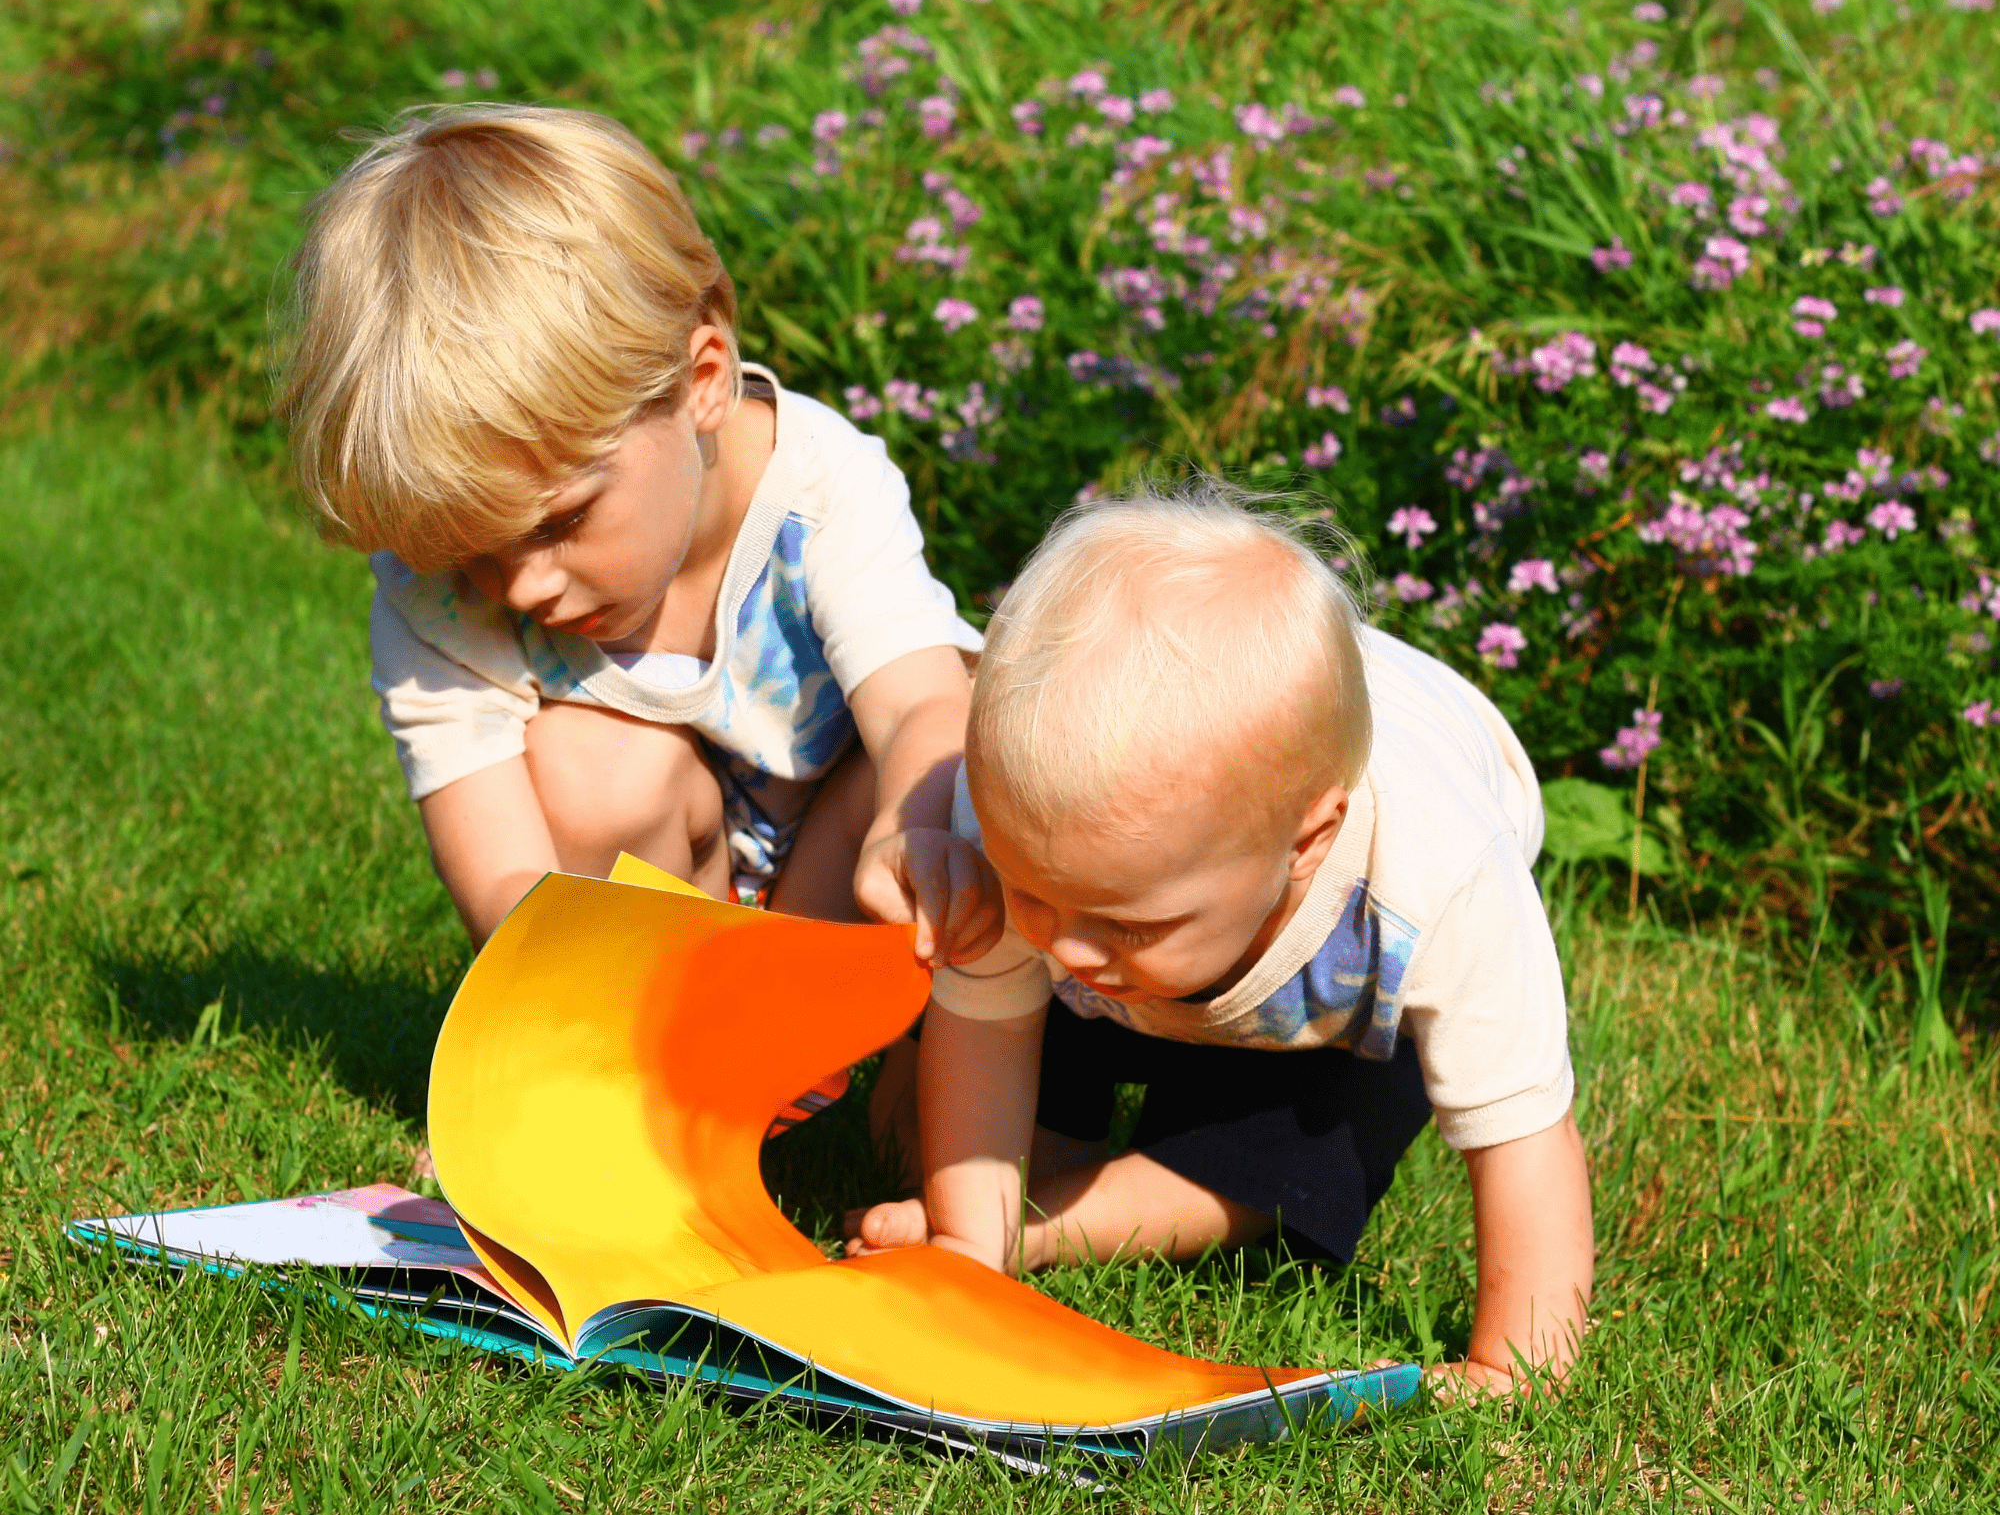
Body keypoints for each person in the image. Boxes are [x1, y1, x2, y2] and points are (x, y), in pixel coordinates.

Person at [278, 104, 1000, 1146]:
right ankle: (665, 1073)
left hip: (843, 901)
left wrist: (910, 829)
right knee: (588, 763)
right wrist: (578, 1027)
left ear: (701, 381)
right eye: (474, 552)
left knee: (952, 757)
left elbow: (923, 701)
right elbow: (505, 882)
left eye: (563, 521)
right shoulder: (437, 598)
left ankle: (869, 1060)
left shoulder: (815, 492)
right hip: (661, 929)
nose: (522, 587)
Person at [847, 484, 1595, 1394]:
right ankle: (1023, 1200)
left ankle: (1058, 1223)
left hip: (1336, 1017)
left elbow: (1521, 1131)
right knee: (906, 1127)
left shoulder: (1434, 884)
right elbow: (991, 1025)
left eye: (1126, 921)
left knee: (1317, 1143)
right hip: (1159, 940)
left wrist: (1520, 1366)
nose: (1069, 948)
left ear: (1306, 842)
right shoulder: (1035, 834)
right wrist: (968, 1247)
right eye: (1028, 891)